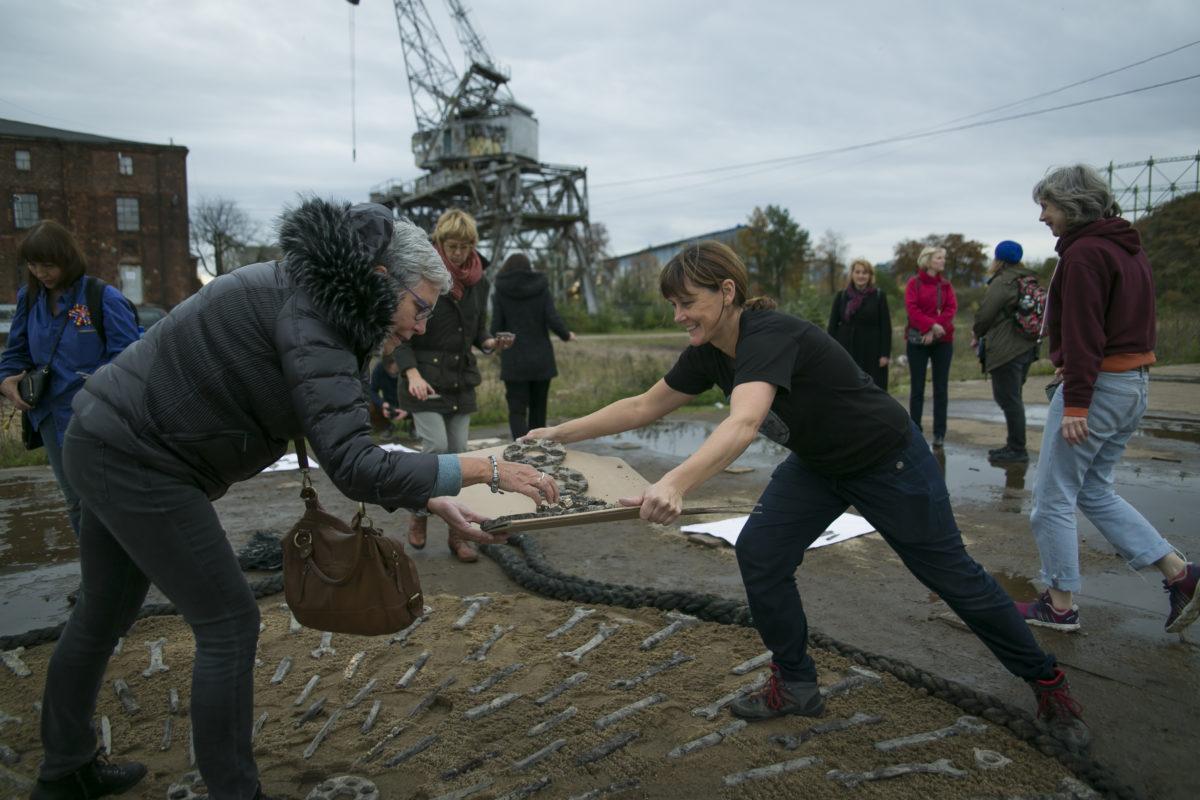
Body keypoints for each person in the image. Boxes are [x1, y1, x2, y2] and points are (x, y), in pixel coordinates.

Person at [33, 200, 558, 800]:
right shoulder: (316, 320)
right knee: (229, 622)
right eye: (419, 308)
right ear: (382, 278)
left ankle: (65, 768)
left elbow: (327, 425)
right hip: (138, 460)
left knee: (102, 613)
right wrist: (485, 469)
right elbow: (356, 465)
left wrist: (436, 500)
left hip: (104, 438)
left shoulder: (314, 297)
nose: (417, 326)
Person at [527, 240, 1090, 748]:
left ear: (727, 292)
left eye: (687, 302)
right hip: (821, 466)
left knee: (952, 579)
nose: (679, 317)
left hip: (888, 459)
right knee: (761, 551)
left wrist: (674, 481)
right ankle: (796, 683)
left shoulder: (768, 333)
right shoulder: (707, 350)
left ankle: (1048, 683)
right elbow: (644, 405)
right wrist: (557, 431)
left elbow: (744, 423)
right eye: (673, 305)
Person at [1016, 164, 1198, 635]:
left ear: (1072, 206)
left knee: (1051, 501)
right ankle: (1181, 574)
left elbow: (1084, 331)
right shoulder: (1127, 248)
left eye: (1047, 206)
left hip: (1096, 391)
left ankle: (1059, 606)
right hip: (1132, 383)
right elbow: (1118, 324)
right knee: (1094, 490)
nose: (1043, 217)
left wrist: (1076, 401)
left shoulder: (1083, 255)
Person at [0, 220, 139, 537]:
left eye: (48, 265)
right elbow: (16, 351)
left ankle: (128, 572)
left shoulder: (103, 298)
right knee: (75, 501)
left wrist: (97, 386)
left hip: (97, 417)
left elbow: (130, 358)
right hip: (50, 417)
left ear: (67, 259)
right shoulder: (29, 298)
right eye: (33, 265)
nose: (40, 273)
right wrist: (7, 380)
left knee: (107, 499)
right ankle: (96, 581)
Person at [395, 208, 511, 562]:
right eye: (450, 245)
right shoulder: (424, 276)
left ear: (472, 245)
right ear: (439, 242)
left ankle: (459, 533)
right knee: (436, 448)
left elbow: (478, 331)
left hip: (460, 380)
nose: (457, 253)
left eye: (463, 246)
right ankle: (419, 514)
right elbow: (401, 331)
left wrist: (491, 344)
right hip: (425, 379)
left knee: (460, 454)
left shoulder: (479, 281)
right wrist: (411, 374)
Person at [491, 252, 576, 440]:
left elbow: (495, 327)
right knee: (539, 410)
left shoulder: (500, 291)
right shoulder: (541, 288)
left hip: (514, 360)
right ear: (529, 268)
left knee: (517, 411)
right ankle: (537, 452)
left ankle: (520, 452)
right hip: (541, 360)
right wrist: (566, 335)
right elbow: (552, 317)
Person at [971, 240, 1040, 464]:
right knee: (1013, 398)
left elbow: (985, 314)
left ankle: (1017, 449)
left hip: (1007, 349)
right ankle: (1014, 445)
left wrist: (977, 332)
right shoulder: (1028, 278)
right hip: (1027, 346)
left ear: (998, 259)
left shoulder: (1003, 282)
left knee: (1008, 399)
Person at [905, 246, 957, 448]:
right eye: (939, 257)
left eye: (943, 257)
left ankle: (939, 433)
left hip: (942, 341)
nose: (943, 261)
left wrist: (935, 329)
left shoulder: (945, 285)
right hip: (917, 341)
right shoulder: (913, 284)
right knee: (917, 388)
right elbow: (912, 309)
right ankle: (915, 430)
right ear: (927, 261)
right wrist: (929, 326)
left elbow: (951, 308)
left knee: (940, 388)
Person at [826, 257, 891, 389]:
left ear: (870, 276)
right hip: (847, 349)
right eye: (858, 272)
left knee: (873, 389)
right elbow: (832, 327)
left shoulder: (879, 296)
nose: (861, 275)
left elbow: (886, 327)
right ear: (852, 274)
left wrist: (885, 354)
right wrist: (831, 351)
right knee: (848, 387)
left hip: (872, 351)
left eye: (865, 272)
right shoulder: (842, 296)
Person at [368, 354, 408, 440]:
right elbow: (372, 390)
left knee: (425, 401)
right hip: (389, 403)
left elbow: (419, 394)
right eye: (389, 370)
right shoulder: (379, 368)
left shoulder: (409, 369)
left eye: (395, 369)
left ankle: (415, 428)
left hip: (408, 404)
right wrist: (382, 404)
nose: (392, 372)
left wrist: (408, 409)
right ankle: (386, 427)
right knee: (368, 404)